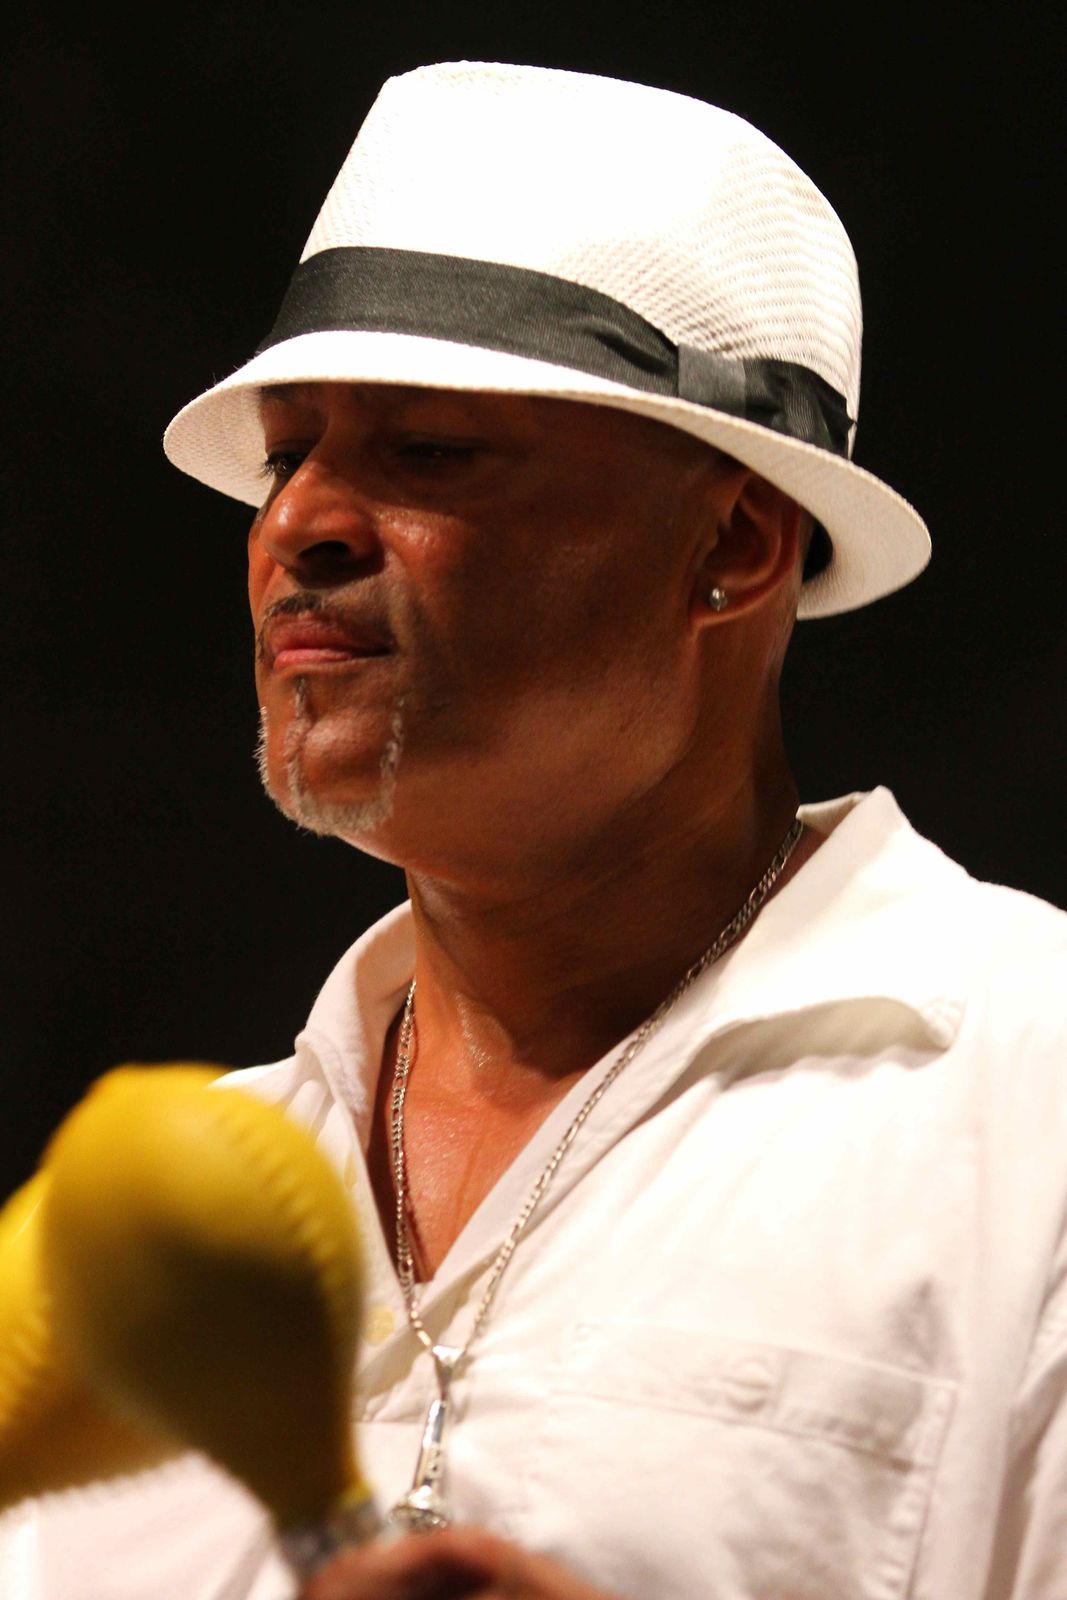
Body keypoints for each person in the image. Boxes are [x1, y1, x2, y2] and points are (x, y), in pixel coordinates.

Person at [3, 59, 1065, 1600]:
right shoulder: (148, 1236)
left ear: (733, 543)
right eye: (288, 453)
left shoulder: (1026, 1093)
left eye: (430, 451)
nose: (296, 521)